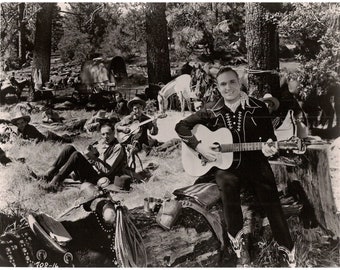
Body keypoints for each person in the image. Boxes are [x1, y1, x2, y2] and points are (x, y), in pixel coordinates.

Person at [175, 67, 296, 267]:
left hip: (256, 162)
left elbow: (270, 140)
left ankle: (288, 250)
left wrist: (269, 149)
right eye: (223, 84)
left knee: (271, 200)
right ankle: (239, 248)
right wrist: (200, 147)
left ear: (239, 83)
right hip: (226, 166)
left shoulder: (258, 107)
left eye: (232, 82)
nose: (228, 87)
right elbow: (181, 126)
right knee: (227, 187)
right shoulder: (211, 109)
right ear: (218, 87)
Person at [39, 122, 129, 192]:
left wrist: (91, 157)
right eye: (103, 134)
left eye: (108, 133)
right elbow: (97, 156)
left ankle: (54, 184)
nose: (105, 137)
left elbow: (107, 171)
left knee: (76, 156)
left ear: (114, 133)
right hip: (92, 171)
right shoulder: (102, 143)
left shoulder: (117, 147)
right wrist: (92, 152)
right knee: (69, 148)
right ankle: (48, 174)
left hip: (98, 178)